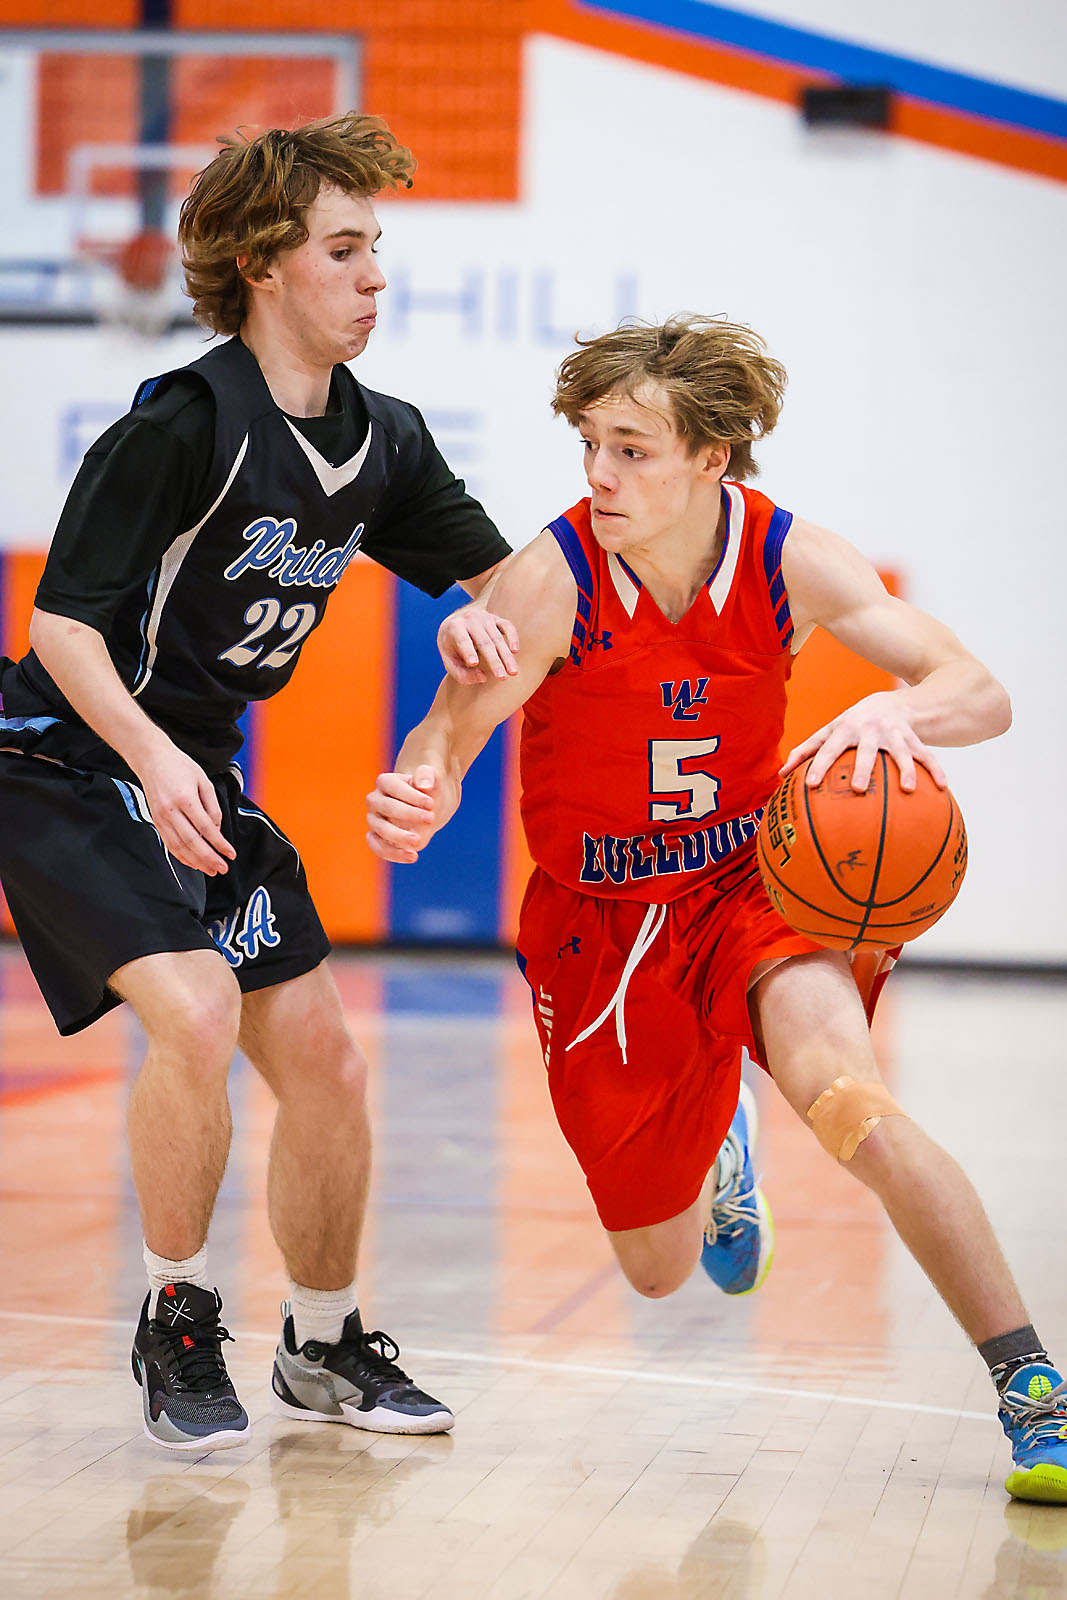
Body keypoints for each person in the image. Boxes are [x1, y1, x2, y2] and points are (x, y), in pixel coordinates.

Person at [368, 315, 1067, 1505]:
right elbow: (446, 730)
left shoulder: (789, 557)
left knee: (855, 1108)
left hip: (751, 889)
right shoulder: (552, 577)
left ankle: (1031, 1390)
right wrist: (418, 787)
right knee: (655, 1269)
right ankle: (720, 1144)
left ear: (710, 456)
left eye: (631, 449)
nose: (599, 474)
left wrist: (896, 711)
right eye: (590, 444)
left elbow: (977, 689)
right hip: (598, 925)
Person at [0, 112, 517, 1451]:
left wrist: (476, 648)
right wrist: (153, 755)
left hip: (197, 772)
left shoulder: (383, 439)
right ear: (263, 263)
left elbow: (518, 588)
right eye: (343, 249)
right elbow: (62, 627)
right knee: (194, 1009)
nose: (373, 275)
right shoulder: (184, 422)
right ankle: (176, 1321)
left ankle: (324, 1345)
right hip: (63, 757)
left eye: (375, 247)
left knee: (330, 1065)